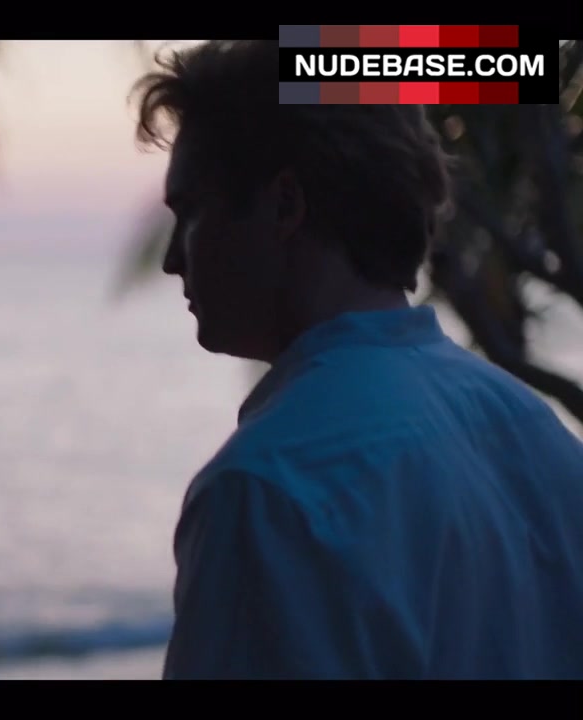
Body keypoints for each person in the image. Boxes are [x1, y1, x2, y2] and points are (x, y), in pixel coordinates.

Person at [130, 39, 583, 679]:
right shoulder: (538, 439)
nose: (173, 258)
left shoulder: (270, 491)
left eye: (192, 212)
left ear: (285, 205)